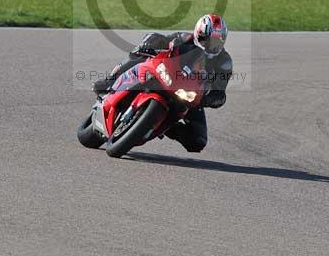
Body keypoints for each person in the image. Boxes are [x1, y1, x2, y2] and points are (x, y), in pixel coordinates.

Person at [92, 14, 233, 153]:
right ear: (198, 33)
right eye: (206, 39)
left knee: (198, 141)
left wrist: (208, 100)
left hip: (190, 96)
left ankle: (167, 126)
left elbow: (220, 93)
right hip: (165, 75)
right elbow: (160, 39)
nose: (210, 44)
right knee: (140, 54)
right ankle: (110, 80)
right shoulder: (185, 39)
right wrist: (150, 42)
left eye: (216, 41)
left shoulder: (224, 62)